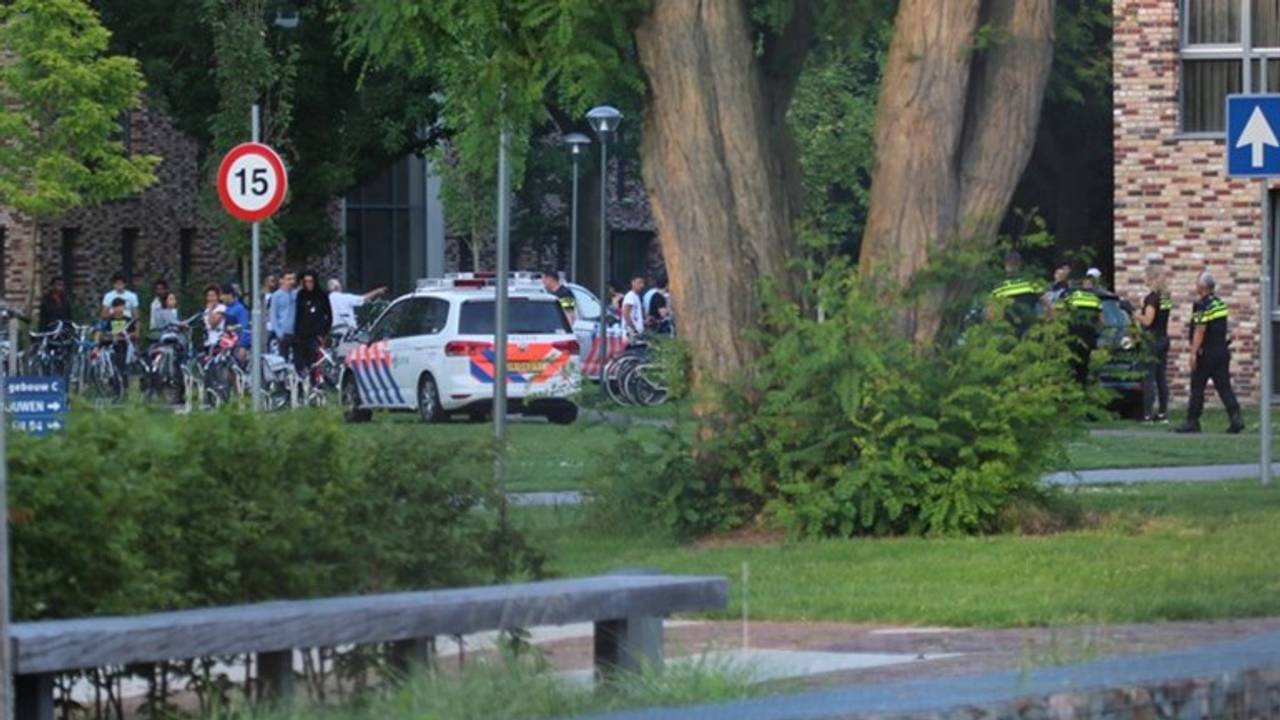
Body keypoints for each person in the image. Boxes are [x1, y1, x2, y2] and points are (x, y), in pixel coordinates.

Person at [1176, 272, 1245, 434]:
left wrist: (1193, 353)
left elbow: (1200, 330)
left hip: (1206, 353)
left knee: (1197, 387)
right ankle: (1236, 418)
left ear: (1202, 286)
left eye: (1196, 283)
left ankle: (1192, 421)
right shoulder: (1220, 304)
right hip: (1221, 350)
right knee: (1224, 387)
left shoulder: (1203, 305)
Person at [1135, 265, 1172, 423]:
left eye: (1145, 275)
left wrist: (1136, 314)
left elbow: (1148, 321)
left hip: (1152, 340)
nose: (1143, 278)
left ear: (1151, 278)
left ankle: (1147, 414)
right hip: (1163, 338)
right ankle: (1162, 413)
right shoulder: (1165, 297)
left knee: (1148, 377)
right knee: (1161, 377)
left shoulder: (1151, 298)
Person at [1060, 280, 1103, 386]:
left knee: (1070, 363)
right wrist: (1098, 333)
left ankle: (1071, 387)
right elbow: (1102, 321)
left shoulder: (1072, 297)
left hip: (1073, 334)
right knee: (1084, 364)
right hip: (1088, 336)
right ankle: (1082, 386)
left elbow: (1061, 312)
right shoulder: (1096, 300)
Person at [989, 251, 1042, 336]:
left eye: (1012, 263)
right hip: (1016, 324)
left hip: (1019, 324)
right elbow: (1044, 299)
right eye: (1010, 263)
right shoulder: (1029, 280)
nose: (1011, 266)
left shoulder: (1001, 285)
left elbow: (1043, 299)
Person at [95, 297, 136, 392]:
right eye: (117, 307)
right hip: (110, 345)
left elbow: (134, 333)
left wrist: (125, 336)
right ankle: (113, 385)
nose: (119, 309)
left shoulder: (128, 320)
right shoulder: (109, 320)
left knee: (122, 365)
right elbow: (102, 333)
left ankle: (124, 387)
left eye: (121, 306)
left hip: (124, 345)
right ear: (113, 308)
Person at [295, 271, 332, 377]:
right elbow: (298, 315)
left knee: (315, 359)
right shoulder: (301, 295)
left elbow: (328, 315)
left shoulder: (322, 295)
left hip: (317, 333)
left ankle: (315, 380)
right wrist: (297, 332)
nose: (308, 284)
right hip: (303, 333)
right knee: (302, 360)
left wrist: (324, 332)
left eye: (310, 281)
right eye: (306, 282)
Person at [270, 271, 298, 360]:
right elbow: (273, 315)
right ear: (281, 280)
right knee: (283, 358)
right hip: (283, 332)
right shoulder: (276, 296)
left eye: (293, 279)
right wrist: (279, 333)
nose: (291, 282)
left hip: (296, 331)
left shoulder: (296, 294)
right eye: (288, 279)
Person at [220, 284, 251, 358]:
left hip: (238, 346)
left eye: (223, 295)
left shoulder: (240, 309)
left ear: (229, 295)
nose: (221, 298)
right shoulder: (227, 309)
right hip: (229, 345)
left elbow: (245, 327)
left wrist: (243, 346)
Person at [201, 285, 227, 352]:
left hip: (218, 339)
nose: (211, 298)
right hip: (209, 339)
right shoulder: (206, 310)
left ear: (217, 297)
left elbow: (213, 324)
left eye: (213, 296)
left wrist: (210, 311)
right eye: (209, 296)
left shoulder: (222, 308)